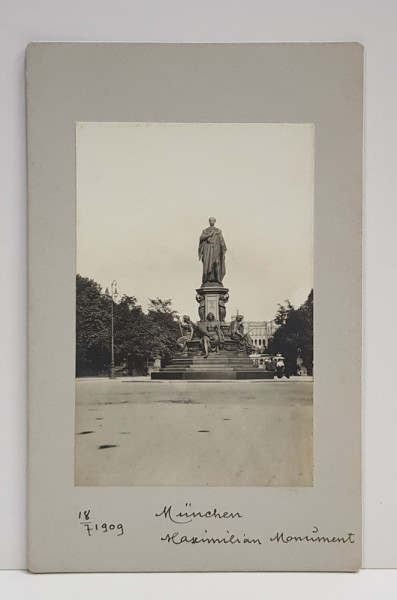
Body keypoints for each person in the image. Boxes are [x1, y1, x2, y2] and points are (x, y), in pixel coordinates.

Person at [198, 217, 227, 285]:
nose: (211, 222)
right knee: (208, 264)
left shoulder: (218, 231)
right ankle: (207, 279)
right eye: (210, 220)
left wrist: (223, 247)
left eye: (213, 220)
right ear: (209, 221)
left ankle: (217, 279)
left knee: (216, 263)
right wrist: (208, 235)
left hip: (216, 249)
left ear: (215, 221)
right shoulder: (205, 231)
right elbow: (201, 238)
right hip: (208, 250)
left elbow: (221, 240)